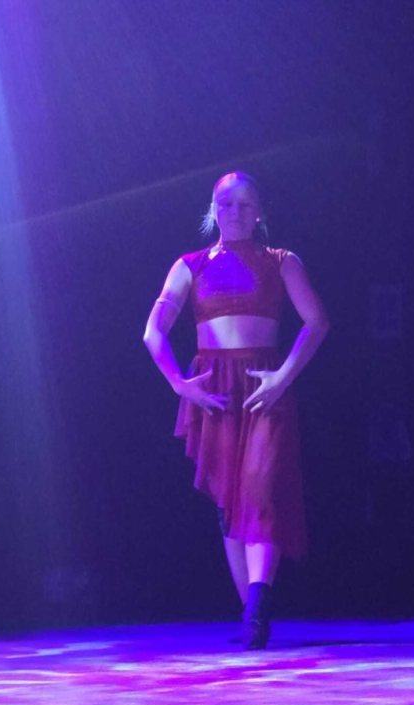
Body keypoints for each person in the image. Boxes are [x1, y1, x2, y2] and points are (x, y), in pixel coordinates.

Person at [143, 171, 330, 649]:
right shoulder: (189, 265)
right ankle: (252, 616)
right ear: (213, 211)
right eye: (226, 203)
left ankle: (258, 609)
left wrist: (283, 376)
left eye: (245, 204)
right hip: (215, 390)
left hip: (263, 385)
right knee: (230, 501)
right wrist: (179, 384)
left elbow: (316, 322)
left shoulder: (281, 261)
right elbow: (153, 331)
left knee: (261, 492)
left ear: (259, 212)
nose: (235, 212)